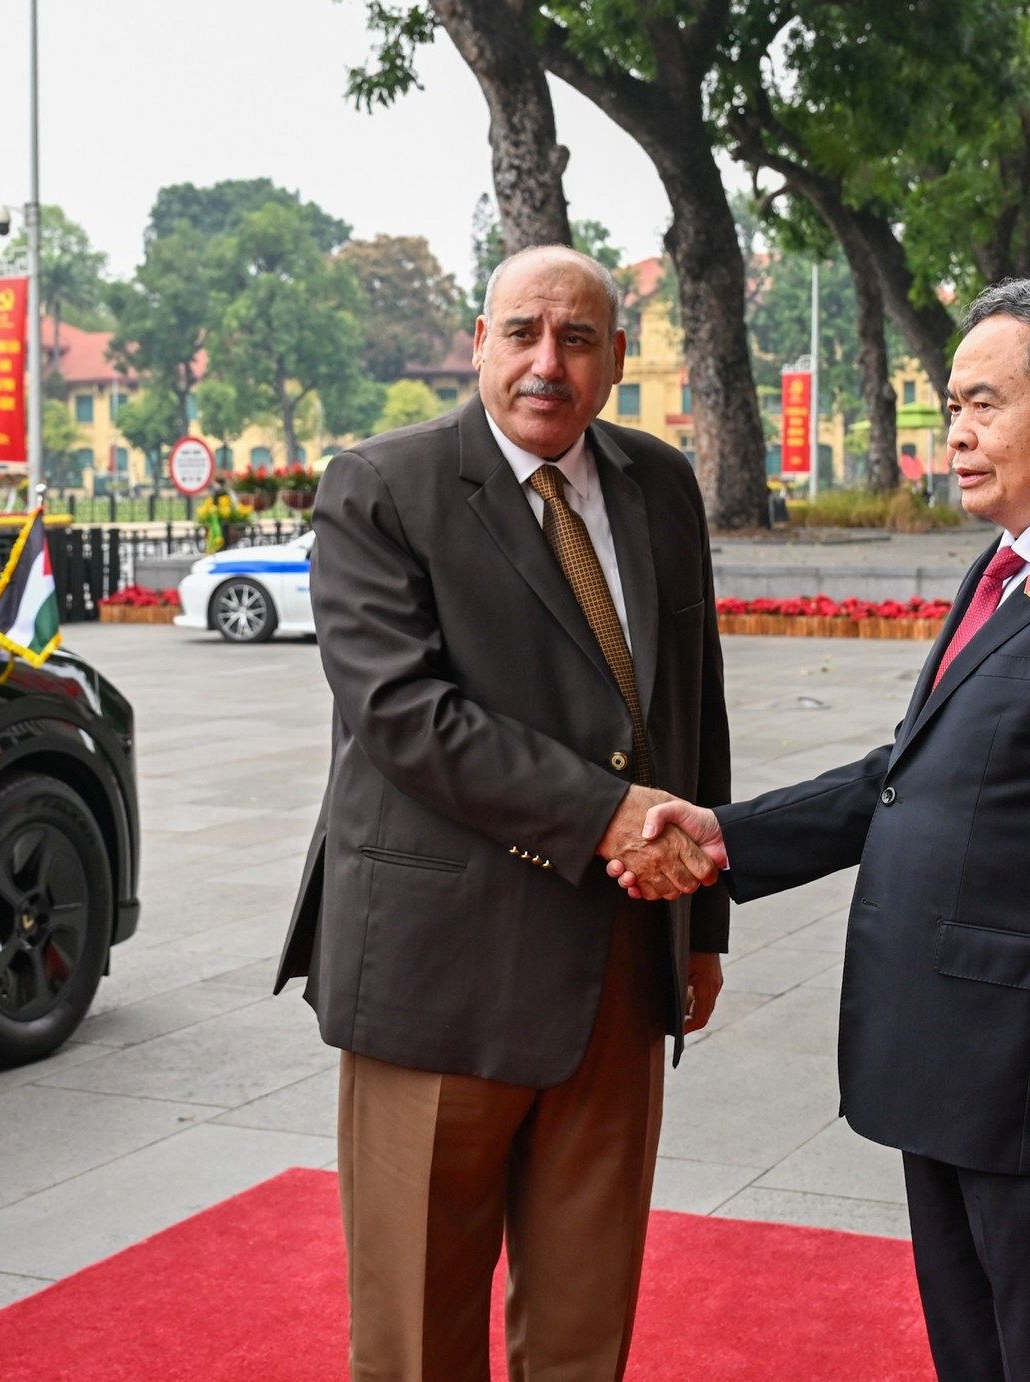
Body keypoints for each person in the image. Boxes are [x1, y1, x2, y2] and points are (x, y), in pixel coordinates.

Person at [621, 276, 1030, 1381]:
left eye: (981, 403)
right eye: (949, 404)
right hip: (952, 1070)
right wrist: (723, 832)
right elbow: (911, 775)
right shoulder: (1013, 563)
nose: (953, 433)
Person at [273, 244, 730, 1382]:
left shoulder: (657, 483)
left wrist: (703, 921)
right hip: (441, 978)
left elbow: (691, 705)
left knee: (584, 1329)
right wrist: (607, 815)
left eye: (577, 339)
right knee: (418, 1335)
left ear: (617, 357)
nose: (546, 362)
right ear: (477, 342)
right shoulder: (383, 485)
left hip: (620, 969)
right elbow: (403, 716)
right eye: (521, 332)